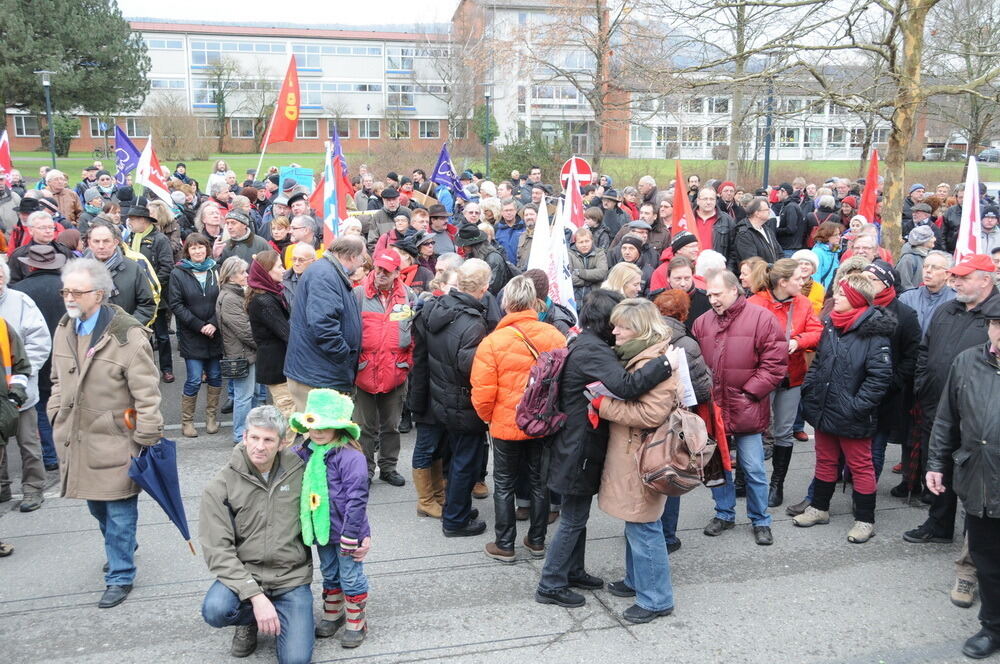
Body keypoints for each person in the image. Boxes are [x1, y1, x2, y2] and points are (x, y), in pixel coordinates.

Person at [536, 290, 672, 609]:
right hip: (577, 448)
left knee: (576, 516)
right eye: (614, 323)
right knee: (573, 517)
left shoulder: (584, 343)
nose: (615, 330)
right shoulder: (594, 351)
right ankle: (551, 583)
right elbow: (625, 386)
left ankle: (572, 571)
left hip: (574, 445)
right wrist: (664, 365)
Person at [49, 258, 163, 608]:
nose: (69, 297)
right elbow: (57, 379)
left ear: (99, 294)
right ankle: (123, 547)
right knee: (98, 507)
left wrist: (145, 438)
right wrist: (55, 410)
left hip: (117, 438)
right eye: (66, 290)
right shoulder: (65, 327)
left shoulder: (127, 335)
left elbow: (148, 393)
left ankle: (120, 574)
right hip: (79, 437)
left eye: (77, 291)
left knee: (118, 510)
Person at [199, 406, 314, 663]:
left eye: (268, 439)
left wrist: (359, 535)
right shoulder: (221, 485)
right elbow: (218, 550)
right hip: (246, 574)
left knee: (296, 660)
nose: (259, 446)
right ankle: (250, 619)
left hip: (290, 577)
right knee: (215, 610)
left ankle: (282, 614)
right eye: (254, 437)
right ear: (244, 437)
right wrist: (255, 596)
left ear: (282, 443)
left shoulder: (301, 470)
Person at [594, 298, 678, 623]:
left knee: (644, 527)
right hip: (632, 453)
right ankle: (635, 581)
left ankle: (656, 599)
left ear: (640, 329)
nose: (614, 331)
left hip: (643, 457)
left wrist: (603, 405)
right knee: (635, 524)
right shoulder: (641, 357)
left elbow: (651, 413)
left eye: (621, 326)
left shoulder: (653, 361)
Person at [471, 276, 566, 563]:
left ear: (506, 303)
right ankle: (537, 542)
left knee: (504, 483)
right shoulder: (554, 336)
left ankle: (505, 543)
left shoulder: (493, 342)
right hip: (542, 423)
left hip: (505, 423)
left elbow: (483, 392)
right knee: (540, 482)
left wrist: (490, 418)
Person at [905, 254, 999, 545]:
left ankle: (979, 538)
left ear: (986, 279)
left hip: (981, 414)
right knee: (940, 463)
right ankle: (939, 523)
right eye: (955, 276)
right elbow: (925, 350)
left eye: (964, 277)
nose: (955, 282)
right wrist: (924, 384)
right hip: (938, 405)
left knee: (980, 472)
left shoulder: (995, 315)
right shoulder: (947, 309)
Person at [794, 274, 894, 543]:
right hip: (825, 408)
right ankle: (819, 508)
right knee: (825, 461)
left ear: (855, 299)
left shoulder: (875, 332)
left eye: (841, 294)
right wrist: (810, 390)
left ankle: (865, 521)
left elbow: (880, 377)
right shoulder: (830, 325)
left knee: (861, 466)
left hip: (852, 413)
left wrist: (856, 406)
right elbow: (818, 364)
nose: (834, 297)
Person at [927, 298, 1000, 660]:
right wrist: (936, 464)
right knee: (986, 559)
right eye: (996, 324)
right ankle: (993, 626)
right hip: (980, 477)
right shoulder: (968, 362)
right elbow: (946, 420)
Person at [694, 270, 786, 546]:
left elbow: (775, 364)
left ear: (734, 290)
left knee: (754, 469)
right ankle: (724, 514)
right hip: (713, 409)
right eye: (709, 294)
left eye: (717, 294)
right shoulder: (701, 323)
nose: (712, 300)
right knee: (716, 468)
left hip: (746, 407)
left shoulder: (762, 319)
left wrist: (749, 394)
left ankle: (760, 519)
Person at [409, 259, 492, 537]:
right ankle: (456, 519)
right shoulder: (471, 322)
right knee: (465, 461)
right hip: (462, 401)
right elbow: (471, 368)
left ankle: (458, 508)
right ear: (483, 288)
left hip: (442, 396)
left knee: (456, 457)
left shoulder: (437, 307)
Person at [288, 390, 372, 647]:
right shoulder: (307, 452)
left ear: (339, 427)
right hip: (321, 528)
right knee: (329, 571)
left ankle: (357, 620)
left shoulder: (351, 457)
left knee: (350, 575)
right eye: (314, 425)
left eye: (326, 426)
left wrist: (355, 535)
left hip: (347, 530)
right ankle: (334, 613)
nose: (318, 432)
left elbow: (357, 500)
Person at [747, 259, 823, 508]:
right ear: (782, 282)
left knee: (784, 431)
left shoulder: (802, 303)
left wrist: (798, 341)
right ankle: (748, 480)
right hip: (761, 375)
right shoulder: (755, 303)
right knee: (753, 429)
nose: (804, 282)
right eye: (799, 279)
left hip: (792, 375)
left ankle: (776, 484)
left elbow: (817, 331)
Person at [353, 249, 415, 487]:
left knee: (391, 426)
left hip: (395, 372)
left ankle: (388, 468)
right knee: (364, 427)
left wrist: (408, 363)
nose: (380, 274)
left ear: (397, 273)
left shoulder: (408, 295)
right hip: (364, 371)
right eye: (378, 268)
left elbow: (414, 333)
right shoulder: (358, 294)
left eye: (387, 271)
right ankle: (365, 470)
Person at [284, 236, 365, 409]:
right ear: (352, 257)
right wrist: (344, 355)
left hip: (320, 372)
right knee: (321, 434)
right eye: (362, 258)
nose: (362, 264)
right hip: (318, 375)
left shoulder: (329, 272)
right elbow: (323, 324)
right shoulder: (325, 274)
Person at [0, 258, 52, 512]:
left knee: (29, 443)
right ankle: (2, 487)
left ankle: (33, 488)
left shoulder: (20, 302)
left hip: (20, 389)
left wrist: (22, 375)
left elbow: (39, 341)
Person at [11, 244, 67, 472]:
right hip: (66, 352)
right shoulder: (67, 287)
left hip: (34, 356)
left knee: (43, 407)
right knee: (68, 402)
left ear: (31, 265)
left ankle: (51, 455)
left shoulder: (20, 291)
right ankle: (69, 449)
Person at [168, 234, 223, 438]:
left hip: (215, 334)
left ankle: (211, 418)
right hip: (192, 334)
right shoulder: (178, 273)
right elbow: (176, 305)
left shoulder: (215, 269)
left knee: (216, 376)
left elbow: (223, 299)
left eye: (201, 247)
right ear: (187, 251)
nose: (198, 251)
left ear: (207, 249)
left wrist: (213, 323)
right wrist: (200, 325)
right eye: (193, 248)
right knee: (193, 379)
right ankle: (187, 421)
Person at [125, 204, 175, 382]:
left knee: (161, 335)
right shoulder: (131, 238)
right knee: (140, 334)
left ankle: (166, 369)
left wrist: (149, 285)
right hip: (136, 296)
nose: (129, 223)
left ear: (143, 221)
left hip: (156, 296)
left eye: (132, 220)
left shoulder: (159, 239)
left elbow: (166, 267)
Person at [246, 250, 294, 421]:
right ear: (266, 272)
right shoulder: (263, 301)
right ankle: (281, 448)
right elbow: (286, 332)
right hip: (277, 365)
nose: (284, 270)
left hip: (280, 363)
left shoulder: (272, 294)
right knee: (286, 414)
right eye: (279, 266)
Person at [216, 257, 257, 445]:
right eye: (242, 272)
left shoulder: (234, 294)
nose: (247, 275)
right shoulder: (231, 298)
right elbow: (246, 331)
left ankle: (250, 432)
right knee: (244, 397)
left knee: (250, 395)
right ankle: (240, 435)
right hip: (241, 355)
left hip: (244, 353)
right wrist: (263, 343)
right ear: (232, 276)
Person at [85, 220, 157, 326]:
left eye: (106, 241)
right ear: (89, 243)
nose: (101, 246)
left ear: (115, 243)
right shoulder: (79, 271)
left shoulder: (134, 268)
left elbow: (147, 305)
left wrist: (129, 327)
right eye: (96, 241)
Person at [8, 211, 74, 284]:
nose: (48, 231)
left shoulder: (64, 251)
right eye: (43, 228)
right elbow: (13, 283)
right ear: (30, 230)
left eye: (51, 227)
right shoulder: (19, 255)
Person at [734, 199, 781, 265]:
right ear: (757, 213)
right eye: (767, 209)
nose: (770, 212)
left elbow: (779, 252)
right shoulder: (744, 234)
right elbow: (752, 261)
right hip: (758, 274)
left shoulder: (767, 230)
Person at [896, 225, 937, 291]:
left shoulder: (929, 256)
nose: (934, 239)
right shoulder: (908, 259)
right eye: (931, 237)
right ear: (923, 241)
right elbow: (903, 285)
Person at [282, 242, 316, 311]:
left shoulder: (321, 281)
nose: (296, 263)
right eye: (294, 259)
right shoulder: (283, 279)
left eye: (301, 260)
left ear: (313, 261)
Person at [810, 221, 842, 290]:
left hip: (831, 290)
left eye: (839, 234)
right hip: (822, 293)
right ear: (826, 236)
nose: (839, 237)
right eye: (835, 235)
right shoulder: (817, 252)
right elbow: (815, 277)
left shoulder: (834, 250)